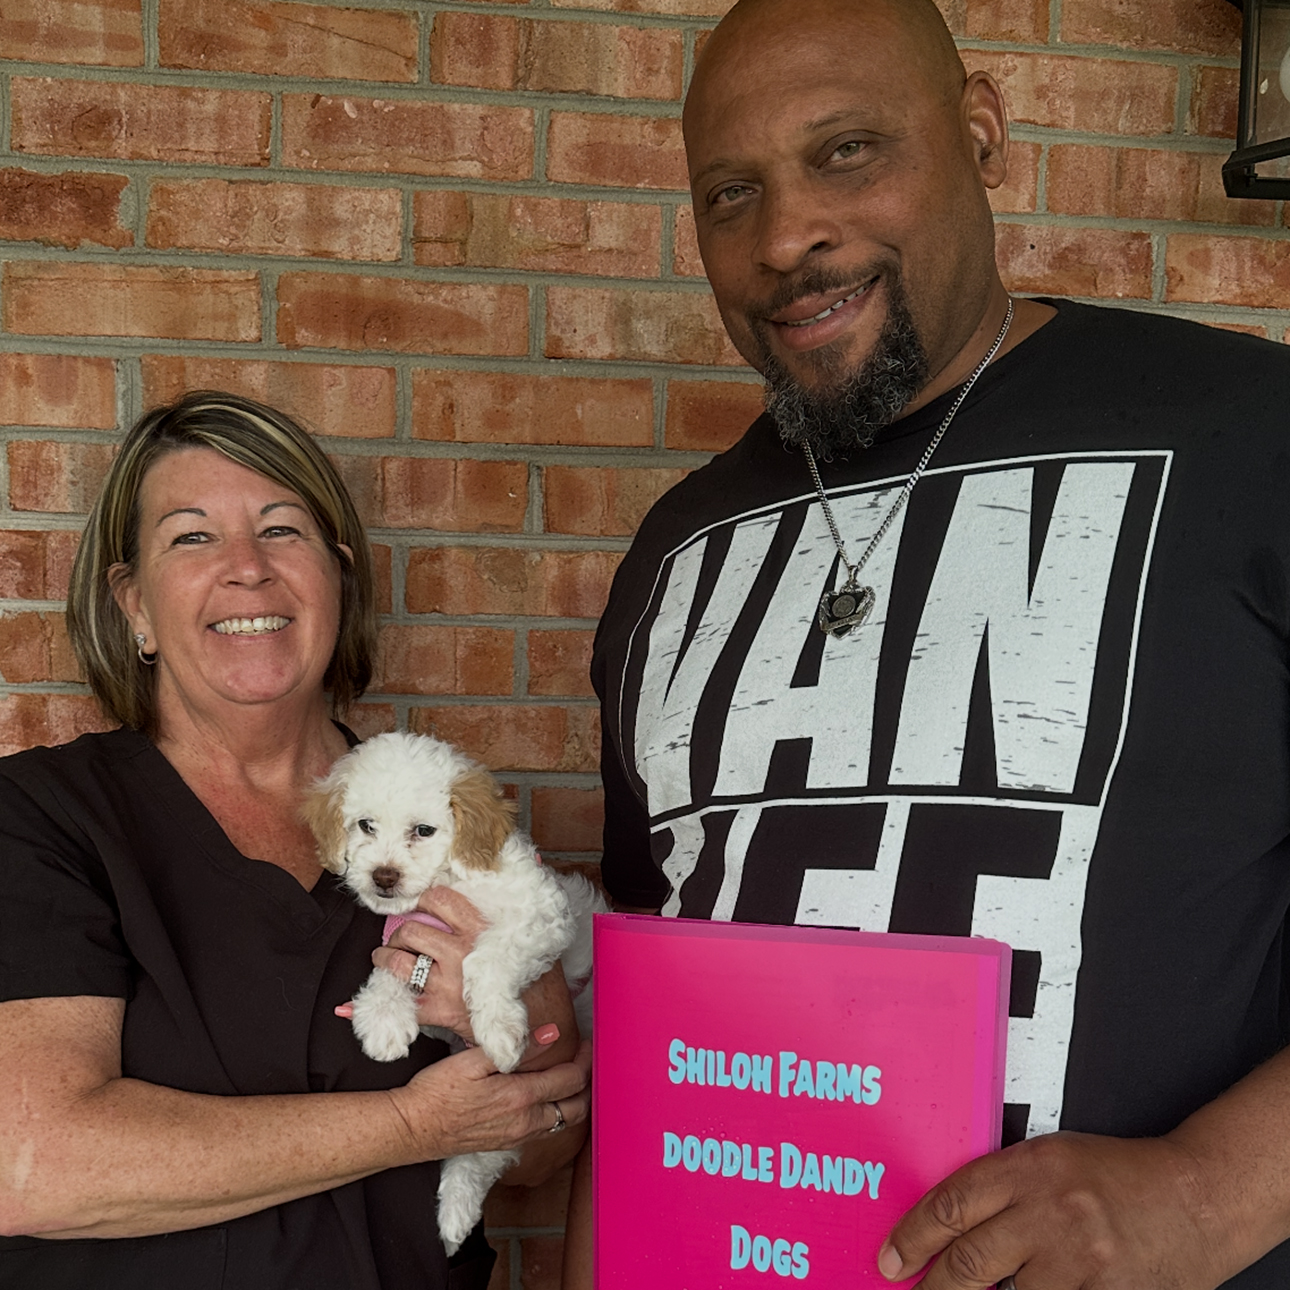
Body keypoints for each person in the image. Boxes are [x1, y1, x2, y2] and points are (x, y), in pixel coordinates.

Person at [581, 0, 1290, 1287]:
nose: (789, 235)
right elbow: (652, 1019)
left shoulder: (1252, 438)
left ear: (982, 134)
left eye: (848, 151)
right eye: (730, 193)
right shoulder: (671, 554)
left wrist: (1205, 1193)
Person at [0, 392, 589, 1289]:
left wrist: (526, 1032)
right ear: (135, 607)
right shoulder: (42, 817)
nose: (247, 569)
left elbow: (544, 1152)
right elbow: (29, 1166)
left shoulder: (434, 810)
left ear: (337, 580)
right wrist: (409, 1128)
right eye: (192, 537)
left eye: (282, 531)